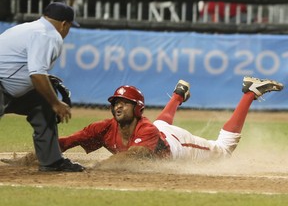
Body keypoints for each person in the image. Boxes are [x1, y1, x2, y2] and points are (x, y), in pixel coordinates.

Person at [1, 76, 284, 168]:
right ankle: (178, 96)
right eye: (115, 103)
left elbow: (130, 156)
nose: (118, 106)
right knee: (158, 125)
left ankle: (250, 92)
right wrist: (26, 159)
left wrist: (93, 171)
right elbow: (62, 142)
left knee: (223, 149)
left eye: (124, 103)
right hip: (157, 129)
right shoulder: (103, 128)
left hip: (176, 146)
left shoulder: (145, 128)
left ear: (138, 108)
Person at [0, 2, 85, 172]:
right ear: (64, 24)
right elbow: (37, 74)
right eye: (69, 26)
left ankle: (51, 161)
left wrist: (49, 98)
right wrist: (56, 103)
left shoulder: (30, 28)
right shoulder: (49, 35)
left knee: (42, 103)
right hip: (3, 85)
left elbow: (25, 66)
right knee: (50, 102)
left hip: (8, 86)